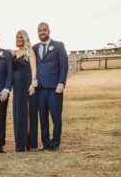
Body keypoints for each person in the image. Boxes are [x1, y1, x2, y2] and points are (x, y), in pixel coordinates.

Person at [32, 22, 68, 151]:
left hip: (54, 88)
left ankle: (55, 143)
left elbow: (64, 66)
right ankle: (45, 142)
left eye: (44, 30)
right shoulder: (34, 48)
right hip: (40, 88)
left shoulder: (58, 45)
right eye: (40, 30)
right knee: (42, 116)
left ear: (49, 31)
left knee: (56, 116)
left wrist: (61, 83)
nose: (42, 32)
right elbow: (33, 66)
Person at [12, 30, 38, 152]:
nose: (19, 39)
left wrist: (33, 84)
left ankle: (28, 141)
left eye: (21, 37)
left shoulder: (30, 51)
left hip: (27, 83)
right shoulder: (14, 53)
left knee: (28, 112)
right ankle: (20, 143)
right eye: (17, 37)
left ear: (25, 38)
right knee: (19, 113)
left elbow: (33, 68)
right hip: (17, 86)